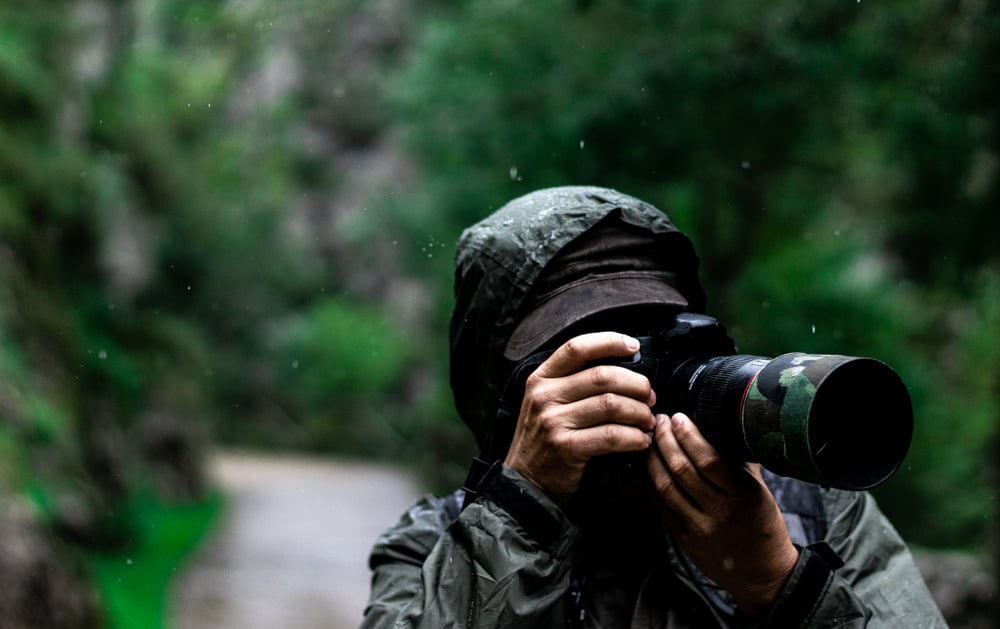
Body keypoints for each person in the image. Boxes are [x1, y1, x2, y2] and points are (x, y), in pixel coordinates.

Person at [361, 186, 945, 627]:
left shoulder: (813, 515)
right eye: (590, 355)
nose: (635, 382)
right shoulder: (431, 548)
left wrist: (776, 579)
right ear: (504, 394)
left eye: (657, 341)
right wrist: (521, 507)